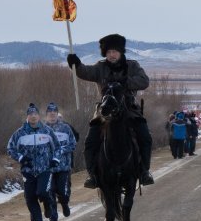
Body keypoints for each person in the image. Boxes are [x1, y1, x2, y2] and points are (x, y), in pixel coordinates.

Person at [66, 34, 154, 188]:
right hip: (104, 110)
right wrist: (76, 64)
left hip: (129, 109)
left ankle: (144, 171)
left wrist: (127, 82)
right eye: (108, 52)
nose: (111, 55)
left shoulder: (132, 66)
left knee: (145, 137)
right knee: (90, 141)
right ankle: (92, 175)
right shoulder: (100, 67)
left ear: (121, 52)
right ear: (104, 53)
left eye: (114, 52)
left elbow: (144, 81)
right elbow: (85, 72)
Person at [7, 103, 60, 221]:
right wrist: (21, 158)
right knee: (30, 197)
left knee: (42, 192)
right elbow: (10, 148)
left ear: (39, 115)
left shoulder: (47, 130)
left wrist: (55, 159)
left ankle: (48, 206)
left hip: (45, 169)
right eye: (30, 114)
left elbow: (57, 147)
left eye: (35, 114)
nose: (33, 116)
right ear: (27, 116)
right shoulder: (19, 133)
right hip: (28, 171)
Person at [44, 102, 76, 221]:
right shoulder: (43, 129)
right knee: (50, 191)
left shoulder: (65, 128)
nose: (52, 115)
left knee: (62, 191)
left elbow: (73, 144)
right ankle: (53, 217)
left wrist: (61, 150)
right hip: (49, 168)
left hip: (63, 166)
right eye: (50, 113)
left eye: (54, 113)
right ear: (46, 115)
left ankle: (64, 203)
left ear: (57, 114)